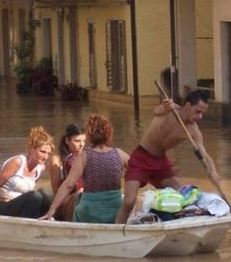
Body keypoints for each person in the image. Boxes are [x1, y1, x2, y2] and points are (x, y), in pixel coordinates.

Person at [114, 90, 220, 224]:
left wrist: (213, 172)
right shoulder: (170, 108)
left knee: (183, 197)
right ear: (187, 106)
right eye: (198, 111)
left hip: (161, 162)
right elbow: (156, 111)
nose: (200, 117)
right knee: (129, 201)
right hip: (142, 156)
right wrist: (164, 107)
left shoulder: (193, 131)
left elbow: (204, 154)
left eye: (202, 113)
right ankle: (118, 229)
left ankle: (176, 228)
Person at [41, 114, 129, 223]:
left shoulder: (84, 156)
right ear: (109, 134)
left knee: (76, 202)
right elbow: (138, 171)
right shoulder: (120, 154)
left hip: (90, 212)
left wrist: (52, 208)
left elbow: (68, 185)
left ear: (89, 135)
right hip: (116, 210)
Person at [0, 126, 54, 222]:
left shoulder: (40, 168)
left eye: (48, 153)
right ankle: (27, 225)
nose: (45, 156)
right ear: (32, 149)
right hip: (3, 206)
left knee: (47, 194)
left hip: (21, 208)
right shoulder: (17, 162)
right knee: (35, 196)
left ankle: (40, 222)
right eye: (42, 152)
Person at [48, 124, 86, 221]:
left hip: (84, 195)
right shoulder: (56, 161)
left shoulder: (85, 157)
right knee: (77, 198)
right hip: (64, 199)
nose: (81, 145)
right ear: (67, 141)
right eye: (77, 141)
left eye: (84, 141)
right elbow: (56, 190)